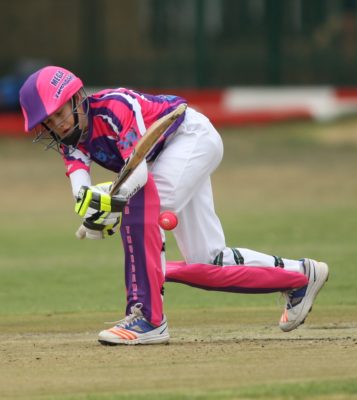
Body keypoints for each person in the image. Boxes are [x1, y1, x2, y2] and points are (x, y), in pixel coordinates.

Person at [19, 66, 329, 345]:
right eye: (49, 122)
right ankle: (301, 276)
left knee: (139, 208)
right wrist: (92, 216)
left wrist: (111, 207)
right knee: (208, 260)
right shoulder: (71, 143)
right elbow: (81, 191)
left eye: (59, 113)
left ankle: (148, 318)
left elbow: (137, 173)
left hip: (189, 137)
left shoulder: (115, 107)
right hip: (165, 159)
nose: (58, 125)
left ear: (76, 99)